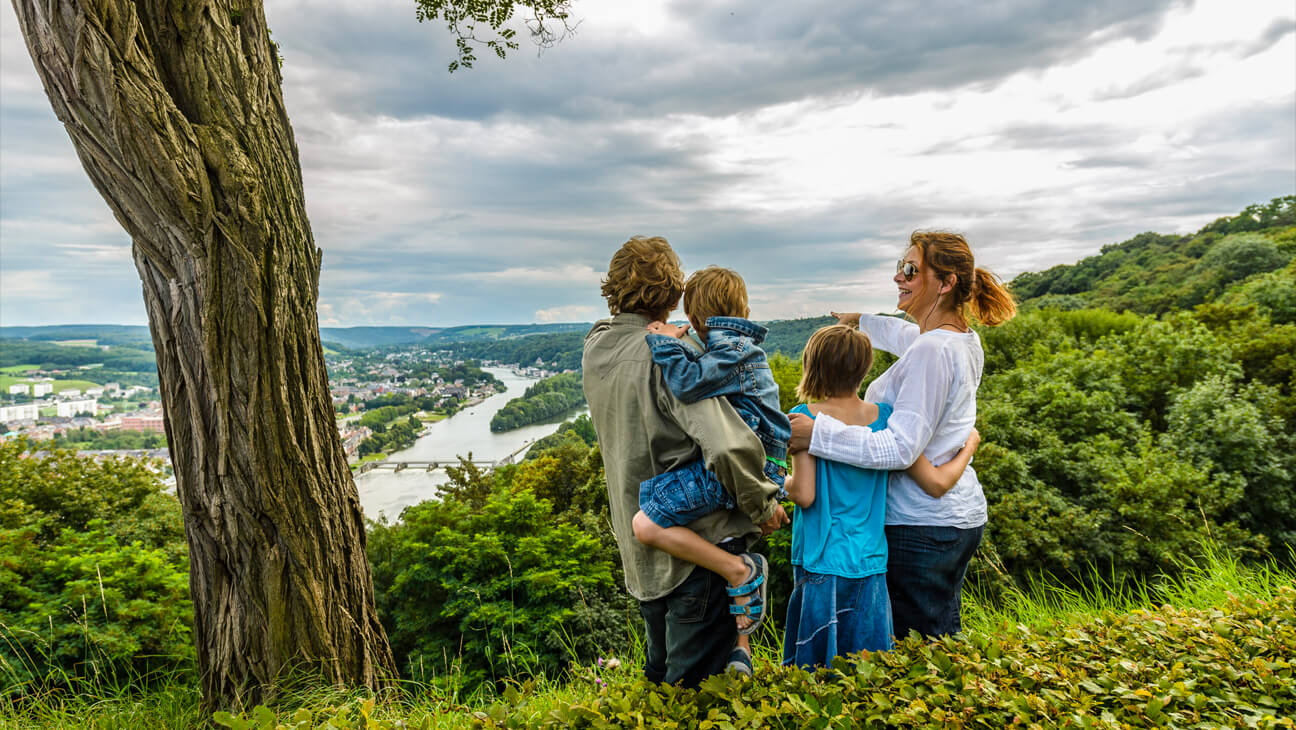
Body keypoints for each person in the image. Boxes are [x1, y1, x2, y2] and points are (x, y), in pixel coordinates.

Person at [788, 231, 1016, 640]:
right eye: (900, 267)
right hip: (949, 516)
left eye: (911, 269)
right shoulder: (958, 340)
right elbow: (908, 338)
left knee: (922, 649)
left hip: (921, 525)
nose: (899, 277)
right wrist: (860, 321)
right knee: (937, 634)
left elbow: (899, 447)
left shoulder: (934, 351)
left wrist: (817, 434)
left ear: (945, 283)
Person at [583, 237, 789, 686]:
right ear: (674, 296)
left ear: (612, 289)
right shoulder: (672, 357)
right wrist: (762, 505)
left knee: (658, 685)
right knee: (697, 698)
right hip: (700, 556)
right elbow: (730, 446)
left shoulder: (595, 348)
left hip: (640, 555)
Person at [782, 325, 981, 667]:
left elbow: (804, 494)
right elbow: (932, 480)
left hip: (821, 558)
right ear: (864, 369)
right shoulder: (886, 420)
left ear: (811, 367)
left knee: (815, 671)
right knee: (868, 665)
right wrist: (970, 446)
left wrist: (777, 483)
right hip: (871, 562)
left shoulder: (805, 418)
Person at [630, 266, 790, 648]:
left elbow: (686, 383)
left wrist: (664, 340)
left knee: (645, 523)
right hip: (764, 463)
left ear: (695, 316)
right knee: (655, 498)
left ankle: (740, 572)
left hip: (755, 464)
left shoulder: (733, 349)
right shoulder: (735, 344)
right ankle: (742, 646)